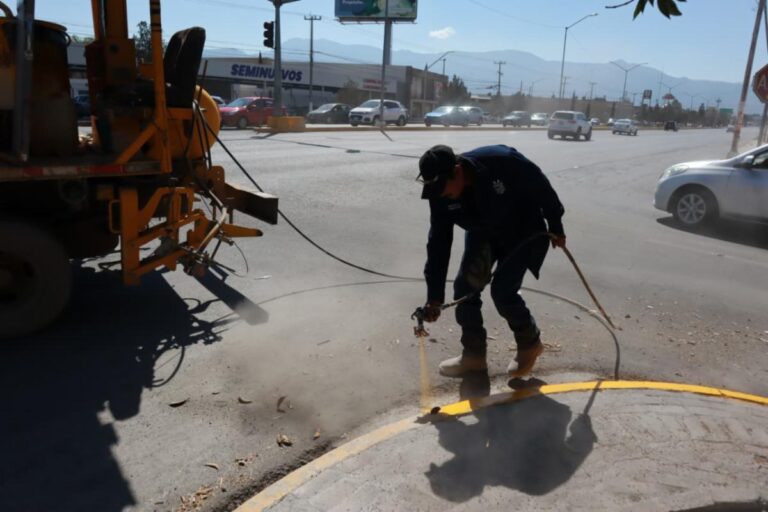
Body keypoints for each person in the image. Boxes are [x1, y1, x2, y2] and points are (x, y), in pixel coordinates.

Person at [417, 144, 566, 378]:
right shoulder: (439, 194)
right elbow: (438, 243)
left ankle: (530, 344)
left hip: (524, 231)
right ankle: (473, 357)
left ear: (457, 171)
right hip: (483, 234)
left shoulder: (501, 160)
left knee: (503, 292)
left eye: (444, 191)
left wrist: (556, 225)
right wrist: (434, 296)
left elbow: (541, 187)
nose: (442, 196)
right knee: (464, 289)